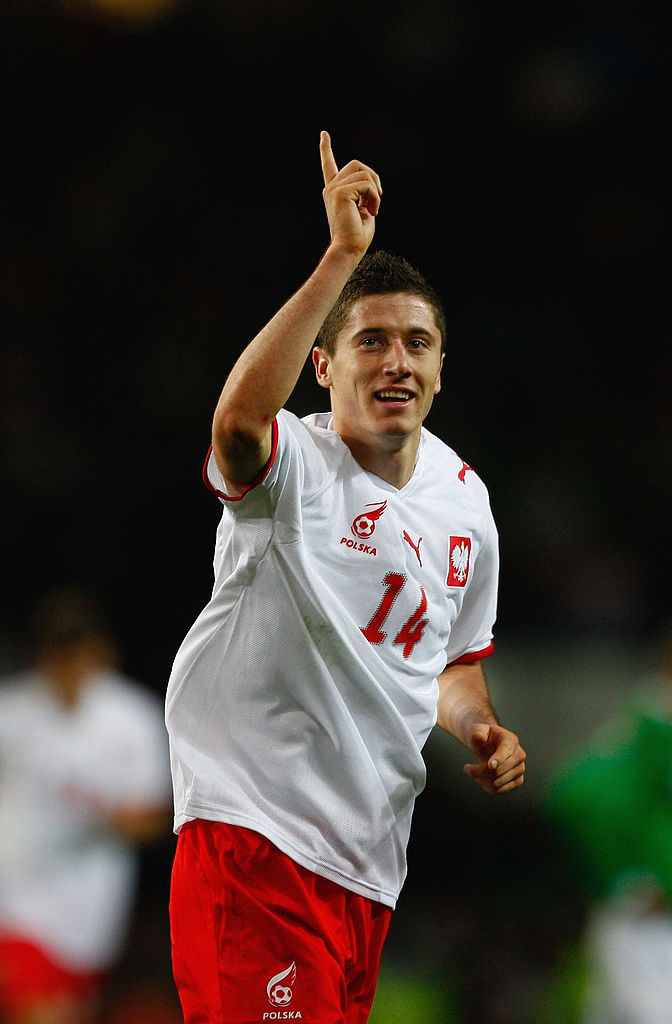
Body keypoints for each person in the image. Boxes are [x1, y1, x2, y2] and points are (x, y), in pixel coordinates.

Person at [165, 131, 526, 1024]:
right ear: (324, 368)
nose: (397, 360)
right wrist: (339, 260)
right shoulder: (295, 467)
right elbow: (237, 423)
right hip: (256, 839)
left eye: (417, 343)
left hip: (366, 871)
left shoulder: (466, 502)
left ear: (440, 369)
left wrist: (477, 725)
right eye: (371, 342)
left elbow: (451, 661)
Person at [0, 586, 172, 1024]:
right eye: (60, 652)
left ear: (100, 652)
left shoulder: (132, 718)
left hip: (94, 917)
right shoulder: (12, 713)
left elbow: (157, 817)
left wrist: (119, 819)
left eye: (78, 651)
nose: (69, 665)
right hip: (20, 910)